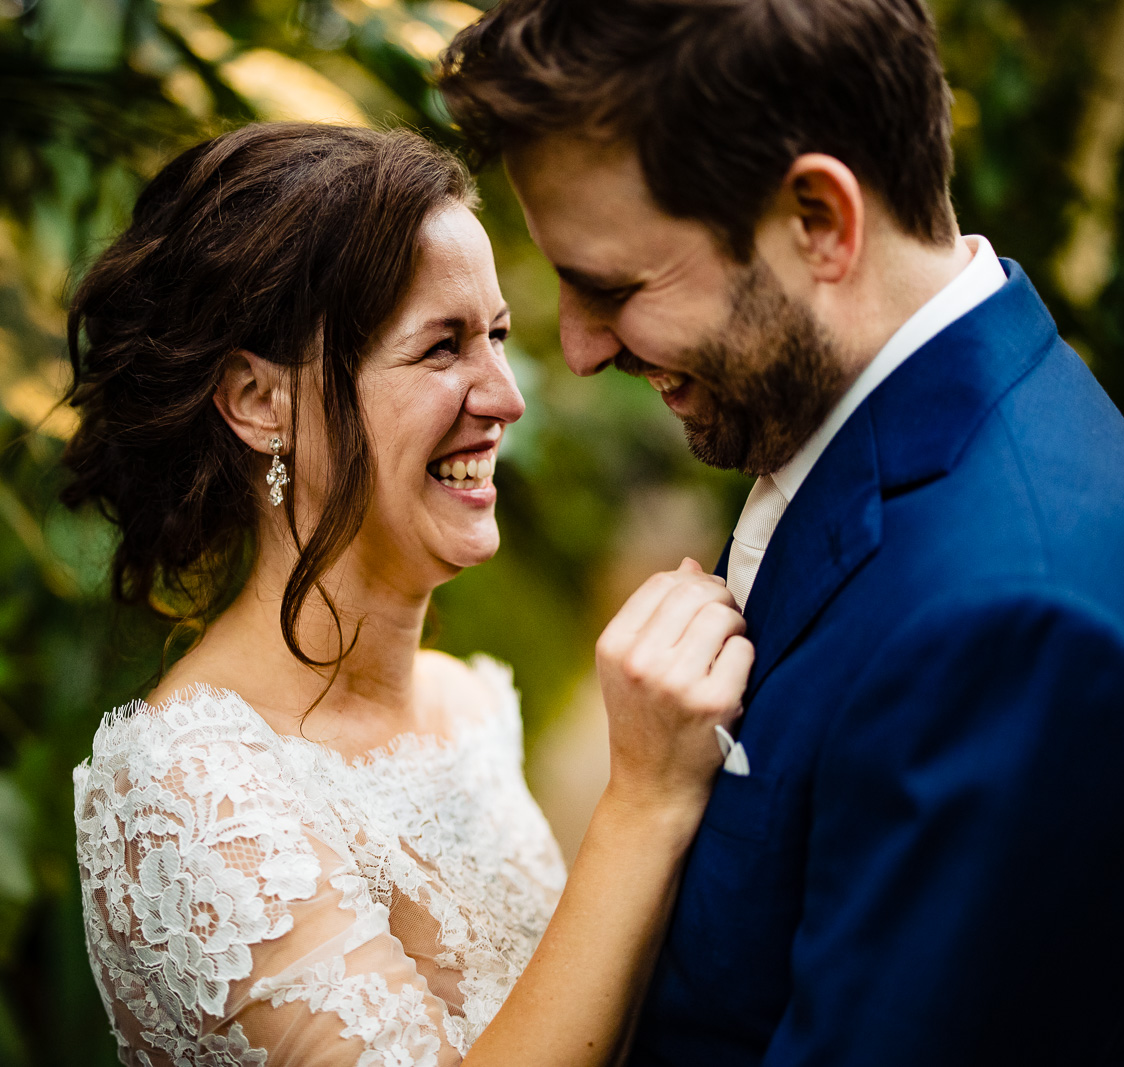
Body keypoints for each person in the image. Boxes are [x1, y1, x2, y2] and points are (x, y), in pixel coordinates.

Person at [438, 1, 1124, 1064]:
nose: (581, 351)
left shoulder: (1017, 633)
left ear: (818, 218)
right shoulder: (849, 420)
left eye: (613, 286)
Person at [63, 122, 754, 1067]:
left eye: (499, 336)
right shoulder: (189, 794)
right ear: (262, 402)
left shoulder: (467, 707)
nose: (506, 396)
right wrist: (641, 802)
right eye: (443, 347)